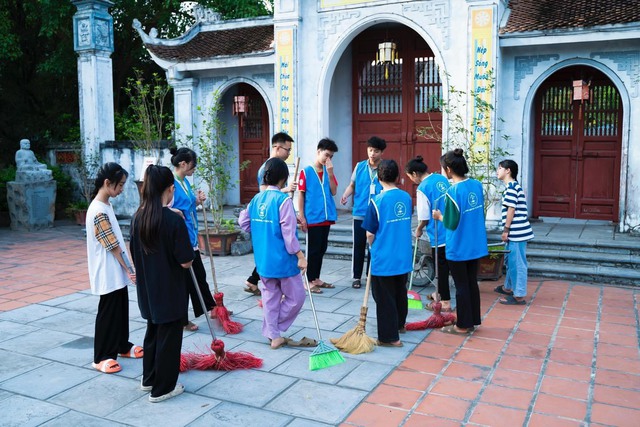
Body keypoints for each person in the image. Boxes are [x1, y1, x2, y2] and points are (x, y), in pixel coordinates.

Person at [130, 165, 194, 403]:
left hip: (147, 289)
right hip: (169, 290)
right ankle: (163, 388)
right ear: (170, 189)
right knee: (169, 338)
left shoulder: (138, 217)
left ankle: (149, 379)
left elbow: (134, 254)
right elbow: (186, 261)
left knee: (153, 332)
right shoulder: (171, 221)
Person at [239, 158, 307, 349]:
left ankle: (274, 334)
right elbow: (289, 234)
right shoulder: (283, 200)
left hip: (263, 260)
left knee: (270, 298)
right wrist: (300, 256)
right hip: (284, 261)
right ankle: (273, 329)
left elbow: (244, 223)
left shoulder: (256, 199)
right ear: (283, 179)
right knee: (296, 297)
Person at [86, 162, 141, 374]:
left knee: (120, 310)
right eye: (119, 185)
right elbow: (112, 245)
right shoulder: (98, 210)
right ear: (107, 183)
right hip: (107, 270)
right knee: (108, 314)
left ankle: (121, 346)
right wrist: (129, 268)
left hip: (115, 269)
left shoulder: (106, 205)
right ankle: (101, 356)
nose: (121, 190)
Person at [432, 149, 488, 335]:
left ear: (448, 170)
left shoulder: (452, 192)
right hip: (476, 243)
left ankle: (462, 325)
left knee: (461, 285)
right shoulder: (477, 185)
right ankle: (472, 320)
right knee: (471, 282)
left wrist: (439, 216)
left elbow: (451, 222)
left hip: (459, 246)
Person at [362, 159, 412, 347]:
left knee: (384, 297)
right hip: (403, 255)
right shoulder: (406, 197)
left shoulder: (377, 202)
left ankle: (389, 337)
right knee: (400, 292)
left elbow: (369, 233)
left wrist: (372, 247)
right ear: (398, 176)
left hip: (384, 257)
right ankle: (400, 325)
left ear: (378, 177)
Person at [243, 132, 296, 296]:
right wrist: (286, 190)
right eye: (287, 150)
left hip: (273, 215)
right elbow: (264, 194)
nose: (288, 154)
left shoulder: (276, 167)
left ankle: (255, 282)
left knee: (268, 256)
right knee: (271, 254)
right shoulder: (267, 168)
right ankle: (256, 282)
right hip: (268, 216)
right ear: (278, 147)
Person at [169, 147, 216, 331]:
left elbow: (187, 205)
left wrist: (197, 200)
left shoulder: (184, 182)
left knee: (199, 275)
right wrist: (175, 212)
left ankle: (210, 307)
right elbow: (163, 208)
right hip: (181, 240)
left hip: (191, 237)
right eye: (192, 166)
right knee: (183, 282)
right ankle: (181, 319)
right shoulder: (171, 184)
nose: (194, 169)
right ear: (183, 164)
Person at [405, 155, 452, 312]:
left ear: (415, 173)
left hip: (439, 232)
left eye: (410, 177)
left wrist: (418, 229)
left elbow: (424, 217)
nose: (412, 180)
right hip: (452, 228)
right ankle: (438, 293)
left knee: (441, 268)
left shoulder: (423, 188)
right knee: (448, 265)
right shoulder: (441, 178)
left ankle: (445, 302)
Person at [340, 136, 386, 288]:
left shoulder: (385, 168)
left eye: (376, 151)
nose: (372, 154)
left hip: (377, 213)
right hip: (360, 211)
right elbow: (352, 185)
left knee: (374, 245)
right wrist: (345, 195)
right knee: (358, 245)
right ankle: (356, 277)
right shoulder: (359, 166)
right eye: (370, 150)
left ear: (382, 152)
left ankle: (371, 275)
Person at [298, 138, 339, 293]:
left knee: (322, 248)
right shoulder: (306, 172)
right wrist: (302, 216)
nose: (328, 159)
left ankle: (316, 277)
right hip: (313, 217)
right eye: (327, 155)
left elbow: (334, 191)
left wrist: (330, 173)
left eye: (331, 157)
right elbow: (301, 195)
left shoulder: (329, 172)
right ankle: (308, 280)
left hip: (326, 217)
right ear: (318, 151)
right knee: (313, 250)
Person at [495, 159, 534, 305]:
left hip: (517, 232)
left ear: (508, 170)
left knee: (517, 263)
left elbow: (511, 209)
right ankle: (508, 287)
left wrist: (506, 230)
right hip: (516, 232)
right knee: (511, 261)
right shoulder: (512, 187)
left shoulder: (511, 188)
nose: (497, 171)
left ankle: (518, 295)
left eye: (500, 168)